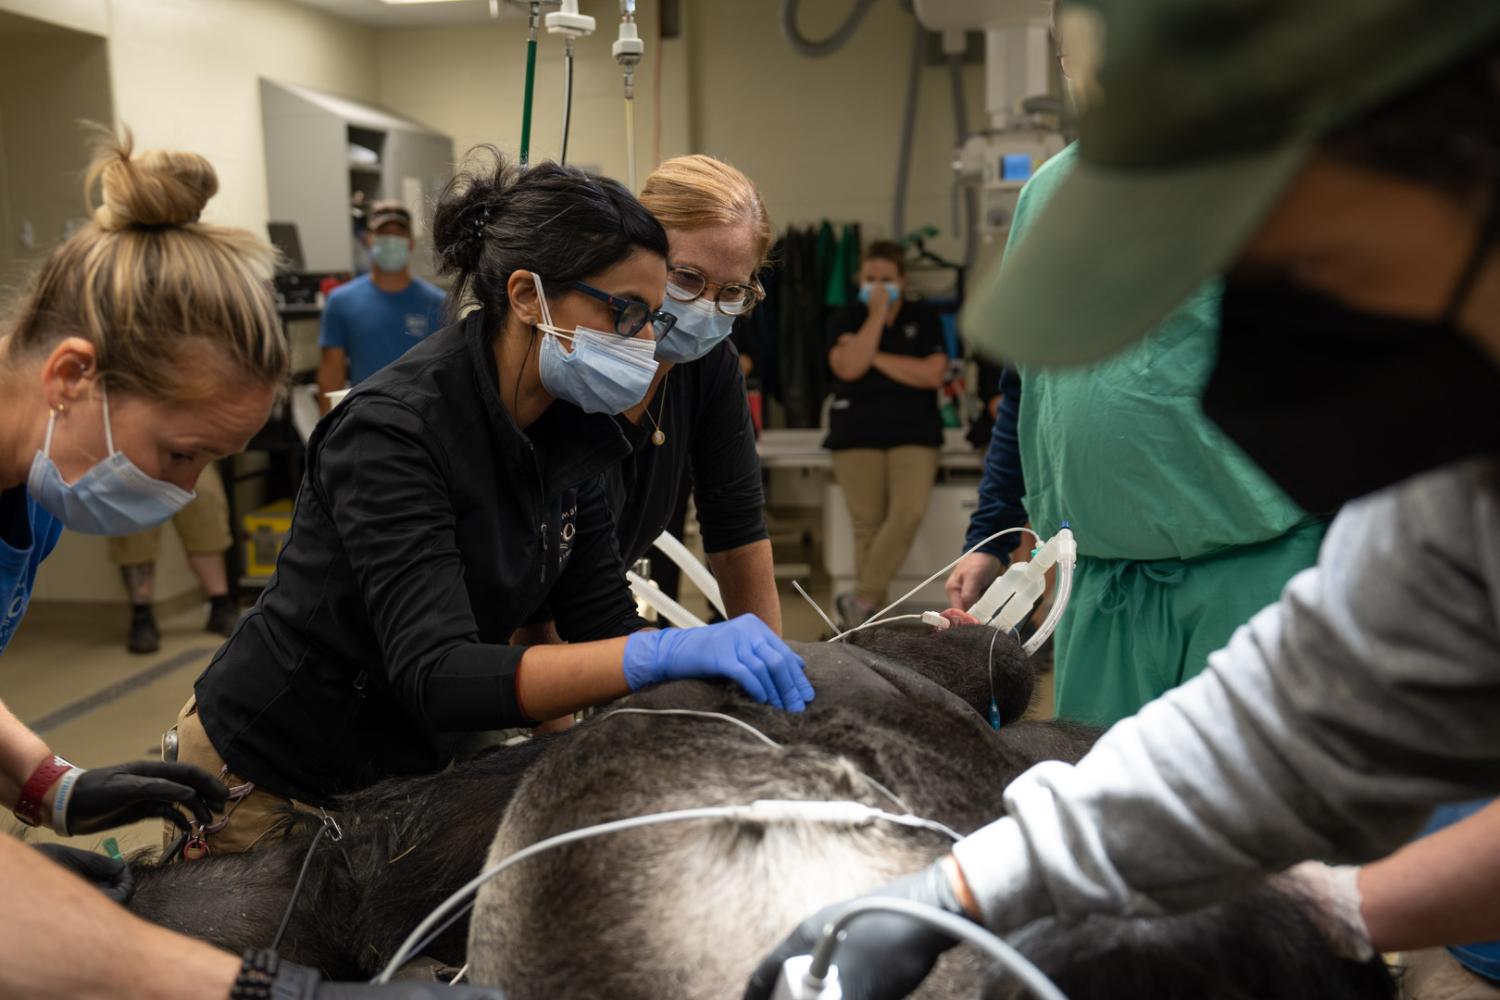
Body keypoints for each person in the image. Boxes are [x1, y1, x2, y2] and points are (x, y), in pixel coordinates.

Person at [747, 1, 1500, 997]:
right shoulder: (1455, 489)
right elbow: (1292, 718)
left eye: (1306, 270)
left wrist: (1357, 905)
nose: (1271, 352)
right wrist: (962, 885)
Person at [176, 153, 813, 855]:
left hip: (404, 773)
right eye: (626, 313)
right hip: (273, 774)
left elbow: (596, 618)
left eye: (653, 318)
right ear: (527, 296)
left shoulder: (574, 425)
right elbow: (439, 672)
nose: (643, 345)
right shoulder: (395, 430)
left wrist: (720, 722)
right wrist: (658, 654)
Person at [0, 133, 452, 999]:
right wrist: (259, 988)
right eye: (179, 453)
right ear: (70, 375)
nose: (185, 488)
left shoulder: (30, 490)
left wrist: (45, 782)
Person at [944, 142, 1326, 727]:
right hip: (1102, 585)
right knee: (1101, 791)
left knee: (1250, 800)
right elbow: (1029, 386)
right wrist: (991, 538)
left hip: (1250, 569)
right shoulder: (1049, 194)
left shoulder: (1270, 172)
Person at [517, 154, 781, 653]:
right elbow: (533, 603)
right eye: (686, 280)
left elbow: (736, 528)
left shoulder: (707, 365)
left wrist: (769, 667)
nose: (703, 308)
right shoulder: (577, 365)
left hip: (585, 622)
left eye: (732, 292)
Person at [824, 240, 949, 628]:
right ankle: (868, 625)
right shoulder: (845, 317)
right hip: (856, 434)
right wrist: (875, 319)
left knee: (907, 513)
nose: (878, 286)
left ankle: (860, 601)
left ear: (902, 279)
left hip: (915, 431)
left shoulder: (923, 315)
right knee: (867, 525)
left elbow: (932, 374)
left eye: (887, 279)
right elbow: (848, 370)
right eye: (870, 278)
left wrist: (873, 356)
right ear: (859, 280)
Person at [316, 199, 447, 413]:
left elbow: (448, 374)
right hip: (363, 418)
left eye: (398, 234)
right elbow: (330, 377)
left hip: (421, 420)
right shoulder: (341, 302)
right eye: (384, 234)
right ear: (369, 239)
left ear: (411, 242)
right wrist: (323, 436)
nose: (391, 240)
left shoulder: (438, 303)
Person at [109, 464, 237, 654]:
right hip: (131, 456)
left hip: (190, 452)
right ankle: (141, 616)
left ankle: (220, 606)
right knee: (133, 524)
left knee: (206, 506)